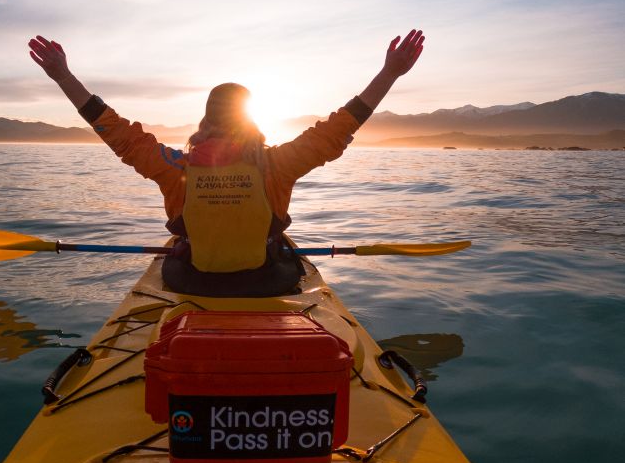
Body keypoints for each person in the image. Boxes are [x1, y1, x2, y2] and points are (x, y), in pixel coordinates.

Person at [29, 30, 425, 296]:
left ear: (205, 121)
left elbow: (116, 132)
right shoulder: (278, 166)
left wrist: (63, 76)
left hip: (193, 284)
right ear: (250, 121)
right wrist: (389, 73)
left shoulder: (175, 168)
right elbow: (337, 129)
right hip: (267, 283)